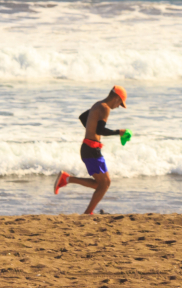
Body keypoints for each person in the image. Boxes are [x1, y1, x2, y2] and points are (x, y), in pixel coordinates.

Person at [53, 86, 128, 215]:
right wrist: (118, 132)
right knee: (105, 184)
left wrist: (90, 130)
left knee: (100, 184)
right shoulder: (105, 108)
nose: (119, 106)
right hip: (91, 150)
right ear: (116, 98)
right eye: (120, 103)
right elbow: (100, 130)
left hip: (89, 149)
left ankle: (67, 179)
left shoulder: (98, 105)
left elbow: (83, 117)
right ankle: (88, 213)